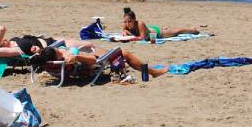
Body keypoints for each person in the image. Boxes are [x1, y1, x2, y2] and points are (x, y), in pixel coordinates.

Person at [30, 45, 166, 80]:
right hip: (94, 61)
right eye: (56, 49)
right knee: (125, 53)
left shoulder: (46, 61)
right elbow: (93, 61)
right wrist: (78, 57)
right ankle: (153, 72)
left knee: (109, 52)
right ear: (56, 53)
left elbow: (42, 54)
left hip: (86, 59)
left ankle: (120, 68)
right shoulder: (69, 57)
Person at [120, 7, 200, 43]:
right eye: (125, 21)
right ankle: (165, 28)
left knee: (177, 32)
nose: (127, 23)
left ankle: (193, 30)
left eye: (129, 21)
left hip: (157, 33)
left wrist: (130, 38)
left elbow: (143, 38)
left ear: (134, 19)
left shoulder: (140, 23)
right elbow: (124, 30)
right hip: (149, 29)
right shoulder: (126, 24)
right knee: (171, 30)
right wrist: (125, 32)